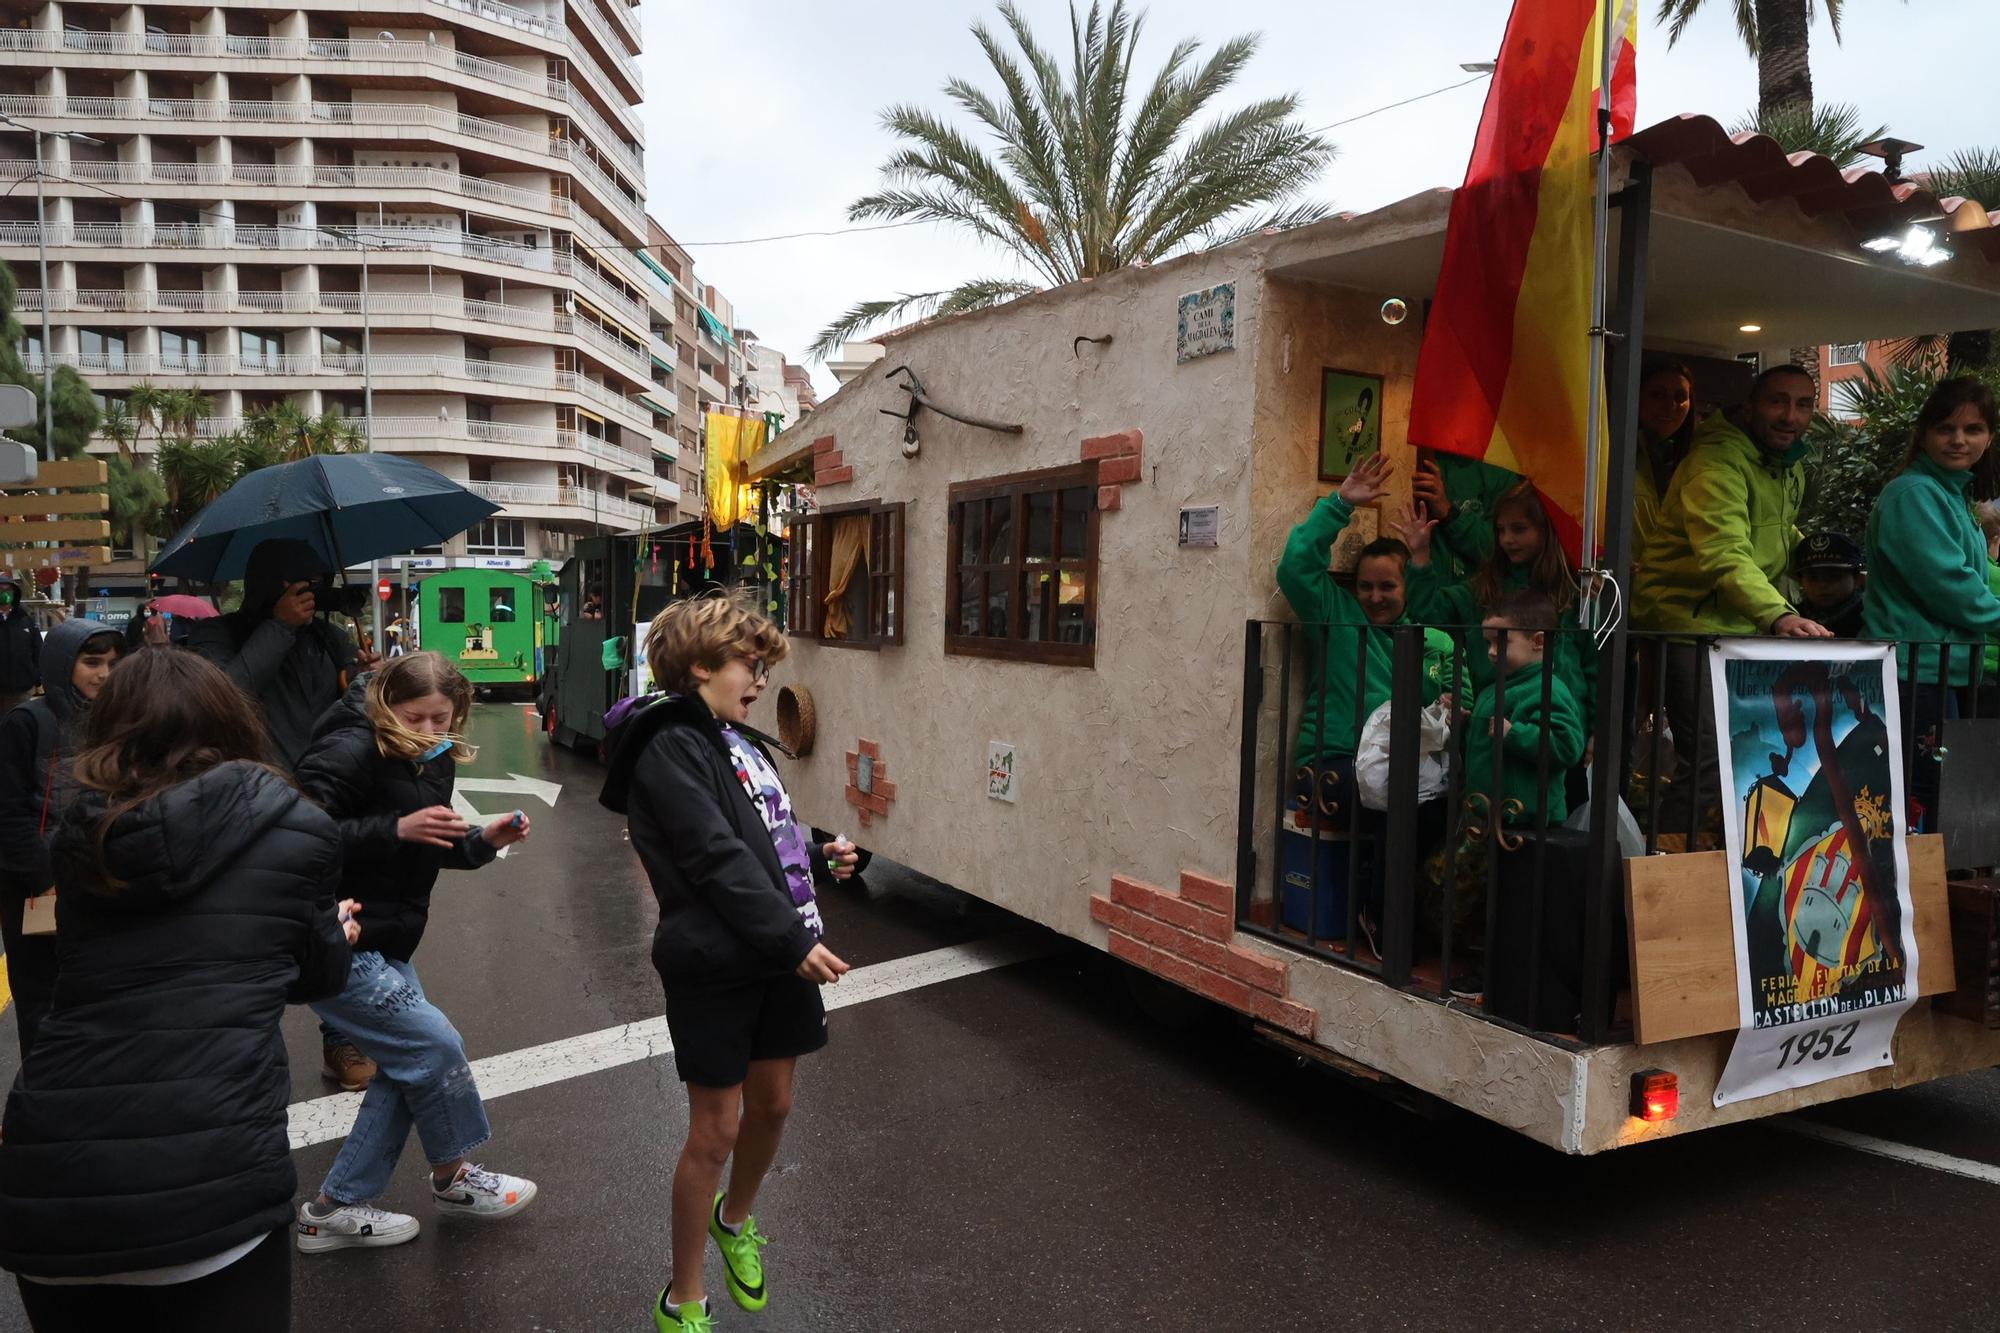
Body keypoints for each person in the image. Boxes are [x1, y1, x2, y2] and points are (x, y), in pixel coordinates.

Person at [0, 650, 357, 1331]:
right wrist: (329, 929)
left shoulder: (80, 839)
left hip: (51, 1182)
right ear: (232, 720)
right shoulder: (296, 827)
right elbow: (319, 977)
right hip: (211, 1180)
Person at [599, 591, 859, 1333]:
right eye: (751, 665)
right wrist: (792, 938)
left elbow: (753, 834)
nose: (759, 681)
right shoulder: (669, 743)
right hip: (717, 961)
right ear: (701, 663)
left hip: (774, 944)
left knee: (775, 1105)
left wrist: (815, 853)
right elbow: (711, 855)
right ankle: (683, 1298)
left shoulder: (730, 738)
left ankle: (734, 1218)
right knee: (714, 1133)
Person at [290, 652, 536, 1255]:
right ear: (382, 704)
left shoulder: (433, 758)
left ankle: (336, 1208)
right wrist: (393, 829)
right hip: (337, 935)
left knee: (410, 1063)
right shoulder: (349, 749)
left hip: (389, 937)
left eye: (441, 718)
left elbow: (427, 843)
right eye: (415, 717)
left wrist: (480, 843)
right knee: (433, 1046)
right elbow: (296, 839)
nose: (429, 731)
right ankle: (451, 1178)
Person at [187, 538, 376, 1091]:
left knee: (337, 920)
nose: (311, 595)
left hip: (324, 794)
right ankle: (245, 1048)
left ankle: (341, 1039)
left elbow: (354, 705)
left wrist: (367, 675)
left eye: (315, 586)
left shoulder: (328, 634)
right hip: (248, 800)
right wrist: (279, 627)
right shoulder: (217, 634)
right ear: (271, 586)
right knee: (253, 928)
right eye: (299, 585)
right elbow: (226, 696)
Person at [1632, 363, 1826, 837]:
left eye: (1803, 404)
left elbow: (1774, 535)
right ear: (1751, 406)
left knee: (1749, 756)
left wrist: (1832, 564)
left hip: (1738, 626)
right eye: (1778, 401)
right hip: (1687, 625)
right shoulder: (1715, 462)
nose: (1791, 416)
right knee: (1707, 760)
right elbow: (1724, 550)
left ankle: (1724, 868)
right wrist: (1778, 613)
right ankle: (1667, 873)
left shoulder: (1784, 461)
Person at [1276, 453, 1466, 826]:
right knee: (1400, 803)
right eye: (1366, 586)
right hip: (1331, 765)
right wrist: (1341, 504)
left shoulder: (1425, 637)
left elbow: (1454, 689)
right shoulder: (1338, 614)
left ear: (1406, 587)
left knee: (1445, 803)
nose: (1375, 597)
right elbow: (1294, 568)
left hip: (1402, 769)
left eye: (1387, 586)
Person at [1861, 377, 2000, 830]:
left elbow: (1976, 581)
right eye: (1946, 428)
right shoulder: (1915, 493)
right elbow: (1951, 588)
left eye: (1973, 429)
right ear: (1923, 433)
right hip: (1910, 674)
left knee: (1939, 802)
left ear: (1989, 437)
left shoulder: (1951, 494)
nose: (1959, 440)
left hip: (1941, 673)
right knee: (1919, 803)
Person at [0, 620, 122, 1055]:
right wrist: (42, 878)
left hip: (101, 882)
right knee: (43, 1005)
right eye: (91, 663)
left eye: (112, 663)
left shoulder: (117, 720)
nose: (104, 675)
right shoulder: (27, 721)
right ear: (61, 663)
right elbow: (9, 814)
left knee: (102, 1003)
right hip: (36, 891)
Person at [1394, 479, 1596, 729]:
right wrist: (1420, 556)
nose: (1507, 539)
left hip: (1560, 727)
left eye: (1519, 529)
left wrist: (1597, 731)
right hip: (1495, 724)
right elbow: (1430, 610)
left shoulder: (1574, 592)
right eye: (1500, 530)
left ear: (1546, 529)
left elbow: (1594, 669)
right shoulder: (1487, 586)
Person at [1462, 591, 1587, 832]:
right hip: (1493, 818)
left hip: (1529, 823)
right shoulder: (1496, 687)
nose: (1491, 651)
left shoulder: (1548, 688)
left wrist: (1514, 734)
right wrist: (1465, 724)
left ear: (1538, 641)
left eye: (1501, 641)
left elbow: (1567, 745)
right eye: (1488, 642)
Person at [1631, 358, 1698, 563]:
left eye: (1680, 397)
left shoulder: (1697, 459)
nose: (1670, 405)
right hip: (1614, 583)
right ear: (1637, 395)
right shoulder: (1608, 453)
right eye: (1658, 395)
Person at [1792, 532, 1866, 639]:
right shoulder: (1792, 620)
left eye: (1833, 576)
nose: (1822, 584)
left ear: (1857, 579)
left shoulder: (1870, 619)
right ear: (1800, 581)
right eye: (1812, 577)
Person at [0, 576, 38, 714]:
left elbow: (37, 649)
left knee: (15, 727)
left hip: (21, 689)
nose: (4, 593)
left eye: (8, 590)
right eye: (0, 590)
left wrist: (36, 677)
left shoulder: (25, 620)